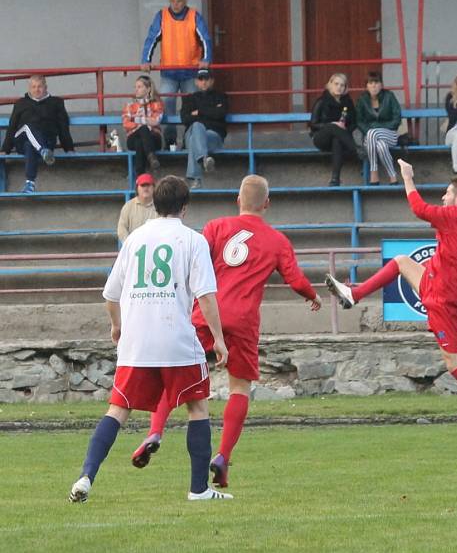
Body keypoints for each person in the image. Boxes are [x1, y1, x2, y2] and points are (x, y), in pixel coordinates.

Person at [130, 175, 323, 487]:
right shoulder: (277, 240)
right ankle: (222, 456)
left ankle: (155, 431)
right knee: (239, 389)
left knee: (175, 377)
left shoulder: (216, 227)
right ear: (267, 204)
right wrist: (312, 297)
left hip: (207, 315)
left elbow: (193, 259)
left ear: (238, 201)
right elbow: (296, 280)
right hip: (244, 322)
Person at [68, 175, 231, 503]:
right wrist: (218, 338)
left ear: (154, 204)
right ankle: (198, 489)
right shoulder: (192, 240)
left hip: (136, 343)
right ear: (184, 207)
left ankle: (86, 475)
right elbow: (207, 296)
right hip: (176, 342)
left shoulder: (135, 240)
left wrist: (117, 327)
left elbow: (110, 295)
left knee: (117, 411)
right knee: (197, 407)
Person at [326, 159, 457, 453]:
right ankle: (353, 294)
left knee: (454, 363)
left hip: (443, 296)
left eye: (447, 194)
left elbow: (418, 208)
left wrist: (408, 177)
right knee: (400, 262)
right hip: (444, 285)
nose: (444, 198)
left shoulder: (454, 215)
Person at [141, 0, 212, 148]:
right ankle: (170, 141)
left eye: (179, 1)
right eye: (172, 1)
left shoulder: (194, 16)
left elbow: (205, 39)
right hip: (169, 72)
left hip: (190, 72)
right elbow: (151, 38)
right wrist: (145, 60)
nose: (175, 4)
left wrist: (206, 59)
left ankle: (190, 141)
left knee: (192, 107)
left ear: (185, 1)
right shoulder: (162, 16)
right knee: (166, 105)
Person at [1, 75, 74, 194]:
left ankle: (30, 183)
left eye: (39, 86)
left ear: (45, 87)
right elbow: (12, 127)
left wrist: (69, 148)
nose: (37, 89)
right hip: (21, 138)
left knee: (31, 145)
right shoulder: (21, 103)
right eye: (33, 87)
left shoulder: (56, 103)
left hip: (45, 141)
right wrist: (5, 149)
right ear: (29, 88)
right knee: (27, 127)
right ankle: (43, 151)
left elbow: (63, 127)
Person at [309, 73, 362, 186]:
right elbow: (313, 124)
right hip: (321, 137)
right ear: (330, 85)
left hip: (341, 137)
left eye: (342, 85)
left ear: (345, 88)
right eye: (336, 84)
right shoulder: (321, 101)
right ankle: (356, 150)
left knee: (337, 140)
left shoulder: (348, 102)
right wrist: (331, 124)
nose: (339, 87)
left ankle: (335, 179)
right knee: (333, 127)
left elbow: (354, 122)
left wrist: (345, 129)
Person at [180, 68, 228, 189]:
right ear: (196, 82)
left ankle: (196, 178)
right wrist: (210, 111)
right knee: (196, 126)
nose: (204, 82)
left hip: (213, 137)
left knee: (193, 139)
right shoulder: (189, 98)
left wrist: (199, 112)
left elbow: (220, 114)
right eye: (200, 79)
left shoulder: (221, 97)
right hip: (195, 132)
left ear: (212, 81)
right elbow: (185, 119)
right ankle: (203, 159)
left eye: (206, 79)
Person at [355, 71, 402, 185]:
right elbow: (359, 121)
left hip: (390, 134)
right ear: (366, 86)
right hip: (369, 138)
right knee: (380, 146)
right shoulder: (362, 100)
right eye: (370, 83)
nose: (374, 86)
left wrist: (377, 127)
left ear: (381, 84)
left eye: (376, 82)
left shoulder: (389, 96)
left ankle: (373, 171)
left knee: (372, 132)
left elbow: (397, 119)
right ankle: (393, 176)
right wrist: (370, 131)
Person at [122, 75, 164, 177]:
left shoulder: (157, 104)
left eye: (139, 87)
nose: (136, 90)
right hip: (133, 136)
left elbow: (155, 121)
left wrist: (136, 119)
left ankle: (139, 176)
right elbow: (126, 123)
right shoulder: (129, 105)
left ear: (148, 89)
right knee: (143, 129)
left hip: (154, 138)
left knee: (139, 142)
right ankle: (151, 157)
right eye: (135, 87)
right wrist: (145, 122)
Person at [117, 173, 158, 241]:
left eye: (148, 185)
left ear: (153, 187)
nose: (145, 188)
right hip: (133, 247)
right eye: (142, 185)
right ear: (137, 188)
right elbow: (121, 229)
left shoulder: (160, 205)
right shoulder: (128, 206)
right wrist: (130, 244)